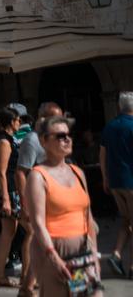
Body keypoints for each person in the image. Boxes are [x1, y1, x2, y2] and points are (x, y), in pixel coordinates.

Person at [25, 116, 102, 297]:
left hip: (81, 251)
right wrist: (54, 257)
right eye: (60, 136)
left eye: (69, 135)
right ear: (44, 141)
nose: (67, 139)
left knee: (92, 294)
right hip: (54, 250)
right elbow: (37, 223)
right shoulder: (37, 176)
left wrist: (95, 256)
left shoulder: (78, 172)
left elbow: (88, 216)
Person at [16, 102, 63, 294]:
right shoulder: (32, 140)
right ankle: (28, 282)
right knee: (38, 240)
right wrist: (25, 203)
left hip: (58, 201)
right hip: (40, 200)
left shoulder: (58, 140)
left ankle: (28, 285)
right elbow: (20, 172)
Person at [101, 92, 133, 278]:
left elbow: (102, 155)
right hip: (131, 181)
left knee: (126, 221)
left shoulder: (110, 126)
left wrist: (105, 178)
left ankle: (116, 254)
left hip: (115, 181)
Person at [0, 107, 22, 287]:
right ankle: (26, 275)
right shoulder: (4, 142)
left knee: (8, 233)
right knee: (28, 230)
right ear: (11, 122)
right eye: (18, 120)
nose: (20, 123)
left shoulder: (6, 139)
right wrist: (6, 199)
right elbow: (1, 172)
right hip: (8, 191)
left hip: (10, 191)